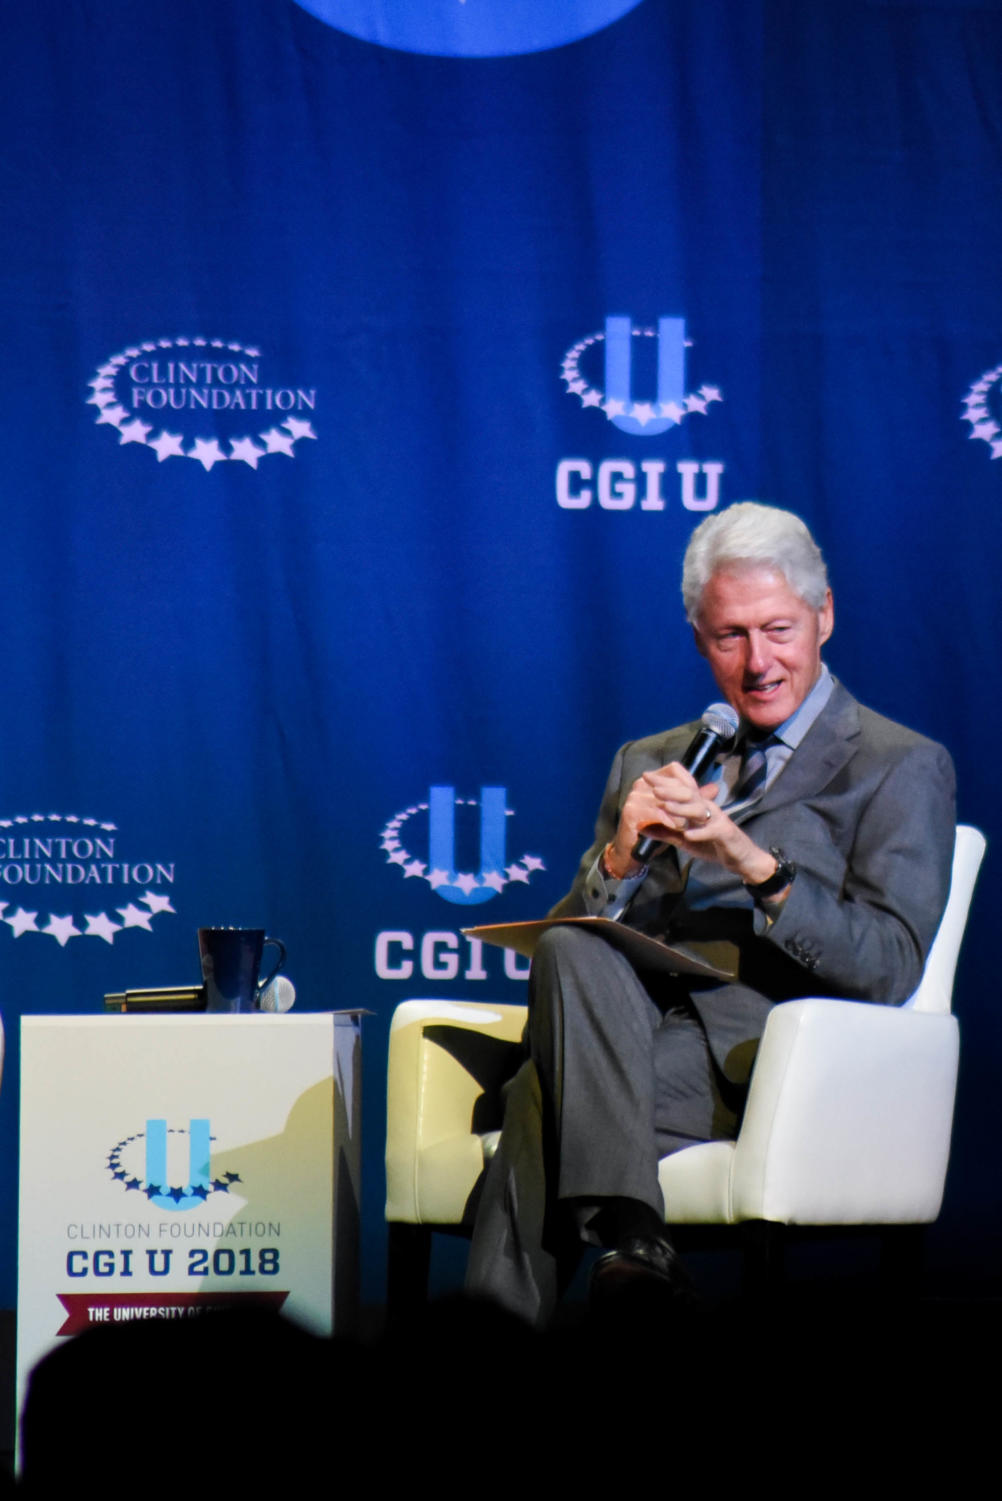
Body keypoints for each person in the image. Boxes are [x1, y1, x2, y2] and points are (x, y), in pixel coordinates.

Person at [465, 502, 956, 1326]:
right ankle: (635, 1243)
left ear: (824, 616)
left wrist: (756, 867)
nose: (758, 661)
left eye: (779, 629)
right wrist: (621, 856)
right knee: (574, 952)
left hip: (762, 1060)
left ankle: (508, 1324)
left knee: (533, 1103)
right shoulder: (650, 761)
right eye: (731, 635)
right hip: (616, 1038)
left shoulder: (897, 765)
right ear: (699, 637)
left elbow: (891, 962)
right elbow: (563, 942)